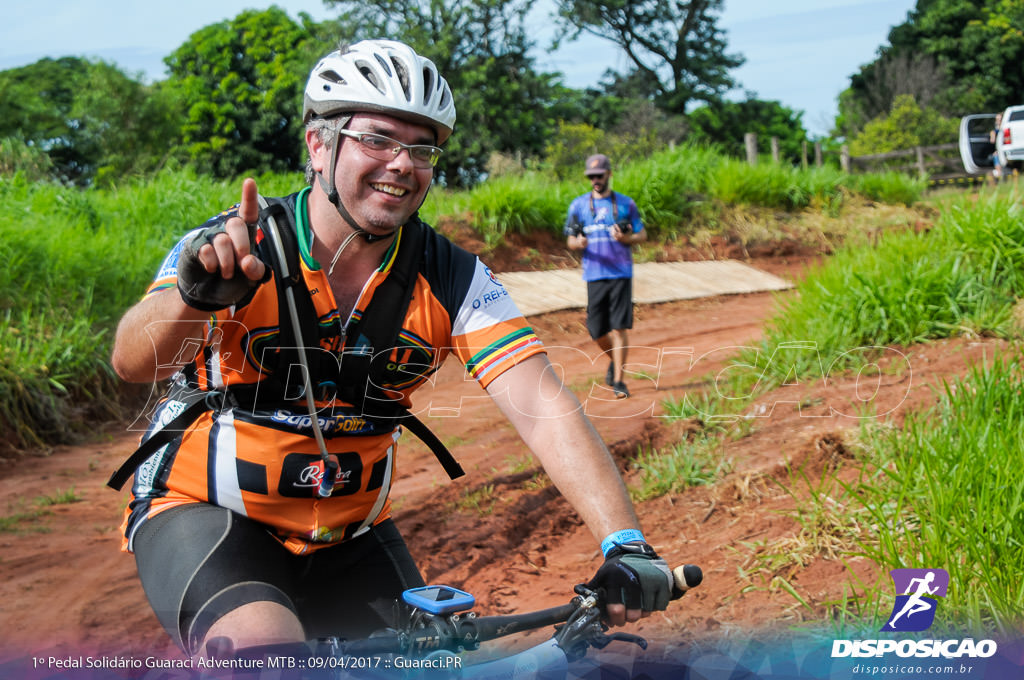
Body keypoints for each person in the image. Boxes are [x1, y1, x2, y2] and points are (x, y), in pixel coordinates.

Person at [110, 39, 673, 658]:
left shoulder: (454, 278)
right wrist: (192, 296)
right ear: (319, 145)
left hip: (348, 533)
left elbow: (544, 407)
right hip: (205, 513)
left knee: (436, 662)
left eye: (422, 149)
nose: (402, 164)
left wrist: (624, 543)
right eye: (377, 139)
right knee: (265, 653)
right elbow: (132, 363)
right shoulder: (235, 247)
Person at [564, 154, 647, 400]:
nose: (595, 181)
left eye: (599, 176)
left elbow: (641, 234)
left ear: (609, 174)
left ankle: (619, 381)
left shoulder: (625, 204)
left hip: (620, 272)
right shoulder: (578, 206)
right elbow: (569, 240)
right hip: (594, 273)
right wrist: (578, 243)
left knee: (619, 327)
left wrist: (626, 238)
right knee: (596, 329)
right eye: (591, 177)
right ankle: (616, 359)